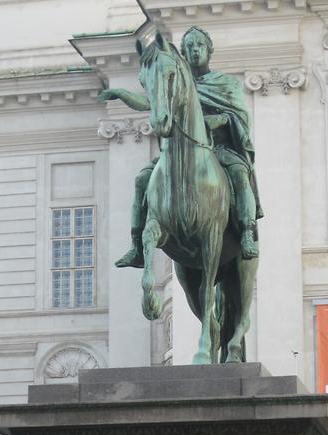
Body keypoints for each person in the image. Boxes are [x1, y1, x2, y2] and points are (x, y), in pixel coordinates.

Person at [98, 26, 263, 268]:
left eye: (200, 46)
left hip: (218, 148)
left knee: (240, 174)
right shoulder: (174, 82)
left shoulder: (224, 83)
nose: (195, 50)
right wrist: (121, 94)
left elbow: (238, 116)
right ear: (183, 53)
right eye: (190, 47)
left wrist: (221, 120)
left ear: (209, 50)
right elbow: (150, 102)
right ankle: (137, 246)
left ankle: (247, 231)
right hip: (178, 152)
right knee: (142, 180)